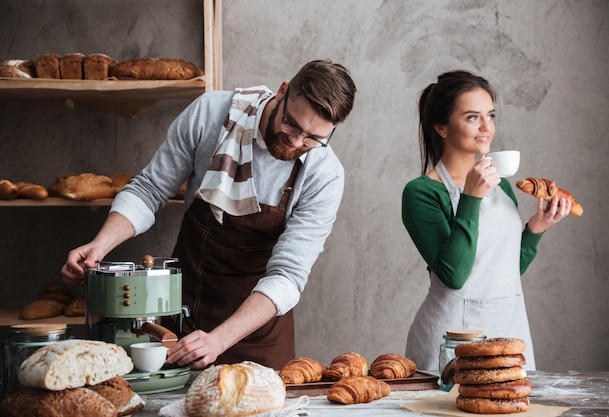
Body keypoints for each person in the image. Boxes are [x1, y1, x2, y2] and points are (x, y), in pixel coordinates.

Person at [61, 59, 357, 370]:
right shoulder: (213, 114)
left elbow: (287, 276)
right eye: (292, 124)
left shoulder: (324, 174)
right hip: (182, 309)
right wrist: (100, 245)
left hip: (257, 332)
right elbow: (149, 189)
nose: (296, 142)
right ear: (283, 91)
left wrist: (218, 339)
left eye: (313, 139)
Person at [402, 70, 571, 372]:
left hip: (510, 327)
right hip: (451, 340)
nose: (486, 127)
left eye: (490, 116)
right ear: (441, 127)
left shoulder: (502, 185)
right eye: (471, 117)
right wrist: (471, 199)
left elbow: (503, 271)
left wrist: (536, 228)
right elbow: (455, 275)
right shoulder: (422, 192)